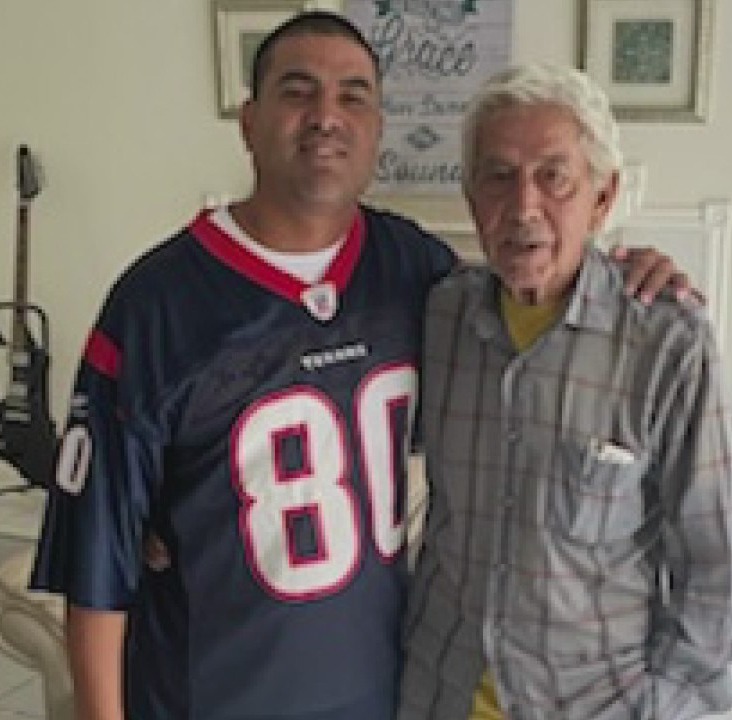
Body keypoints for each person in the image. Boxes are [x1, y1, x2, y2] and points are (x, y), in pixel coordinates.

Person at [30, 12, 696, 720]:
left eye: (353, 95)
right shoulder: (155, 304)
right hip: (210, 693)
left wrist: (626, 271)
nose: (326, 116)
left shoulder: (415, 271)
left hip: (384, 691)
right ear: (249, 124)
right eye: (297, 91)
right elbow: (97, 570)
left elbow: (538, 310)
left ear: (378, 128)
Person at [398, 63, 732, 720]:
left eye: (554, 176)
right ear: (472, 195)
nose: (523, 205)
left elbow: (714, 571)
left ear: (603, 196)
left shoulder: (666, 344)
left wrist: (658, 705)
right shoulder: (438, 317)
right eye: (498, 176)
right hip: (435, 692)